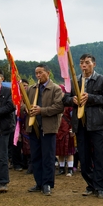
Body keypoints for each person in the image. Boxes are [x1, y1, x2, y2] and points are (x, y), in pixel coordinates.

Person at [63, 54, 103, 199]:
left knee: (100, 157)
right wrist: (71, 99)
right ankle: (90, 185)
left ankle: (101, 187)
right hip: (80, 124)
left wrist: (90, 97)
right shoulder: (75, 81)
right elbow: (64, 99)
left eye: (87, 62)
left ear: (94, 64)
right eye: (81, 63)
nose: (84, 65)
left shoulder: (102, 80)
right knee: (84, 157)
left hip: (97, 124)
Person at [25, 64, 64, 196]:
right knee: (35, 156)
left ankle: (47, 183)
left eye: (40, 73)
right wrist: (26, 107)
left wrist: (41, 111)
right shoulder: (31, 88)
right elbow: (23, 103)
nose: (38, 76)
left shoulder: (56, 89)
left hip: (48, 128)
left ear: (48, 72)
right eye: (36, 73)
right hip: (33, 126)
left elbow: (59, 107)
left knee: (48, 156)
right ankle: (39, 182)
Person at [56, 85, 76, 177]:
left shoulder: (69, 106)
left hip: (68, 130)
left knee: (69, 152)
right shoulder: (56, 104)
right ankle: (61, 168)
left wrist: (73, 129)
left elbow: (73, 117)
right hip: (58, 131)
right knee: (60, 152)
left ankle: (70, 169)